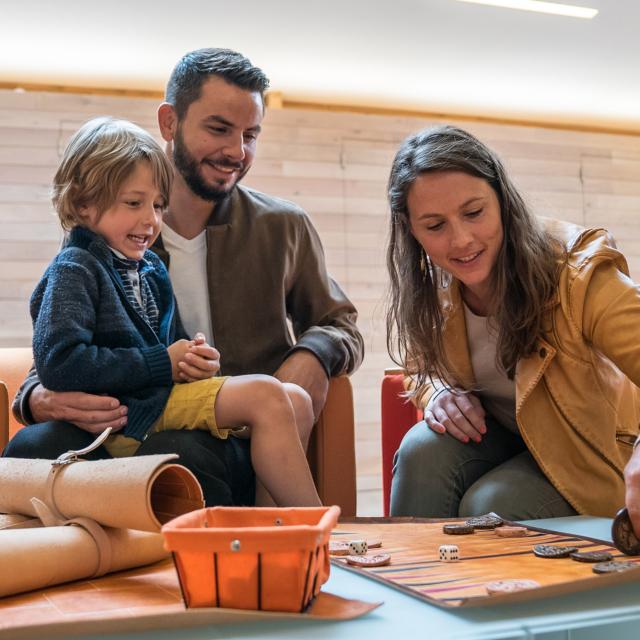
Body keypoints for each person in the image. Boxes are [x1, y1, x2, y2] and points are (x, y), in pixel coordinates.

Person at [6, 48, 363, 506]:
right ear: (170, 122)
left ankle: (285, 550)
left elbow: (342, 325)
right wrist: (35, 398)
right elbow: (59, 345)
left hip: (229, 427)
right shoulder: (105, 231)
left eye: (250, 134)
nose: (237, 151)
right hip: (133, 411)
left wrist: (309, 359)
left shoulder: (284, 226)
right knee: (34, 449)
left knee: (181, 455)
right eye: (219, 129)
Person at [29, 116, 320, 507]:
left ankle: (273, 534)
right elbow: (58, 363)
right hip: (129, 415)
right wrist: (163, 364)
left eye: (158, 206)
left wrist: (193, 360)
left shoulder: (149, 270)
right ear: (82, 203)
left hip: (158, 397)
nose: (150, 220)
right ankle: (318, 530)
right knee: (267, 394)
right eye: (134, 203)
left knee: (296, 399)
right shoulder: (75, 269)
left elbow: (172, 347)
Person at [386, 125, 640, 520]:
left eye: (474, 213)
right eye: (435, 226)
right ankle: (412, 578)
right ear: (411, 229)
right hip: (505, 439)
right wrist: (438, 393)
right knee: (422, 451)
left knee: (491, 506)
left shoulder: (579, 274)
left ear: (504, 201)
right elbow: (420, 367)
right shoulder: (435, 290)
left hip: (592, 456)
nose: (461, 240)